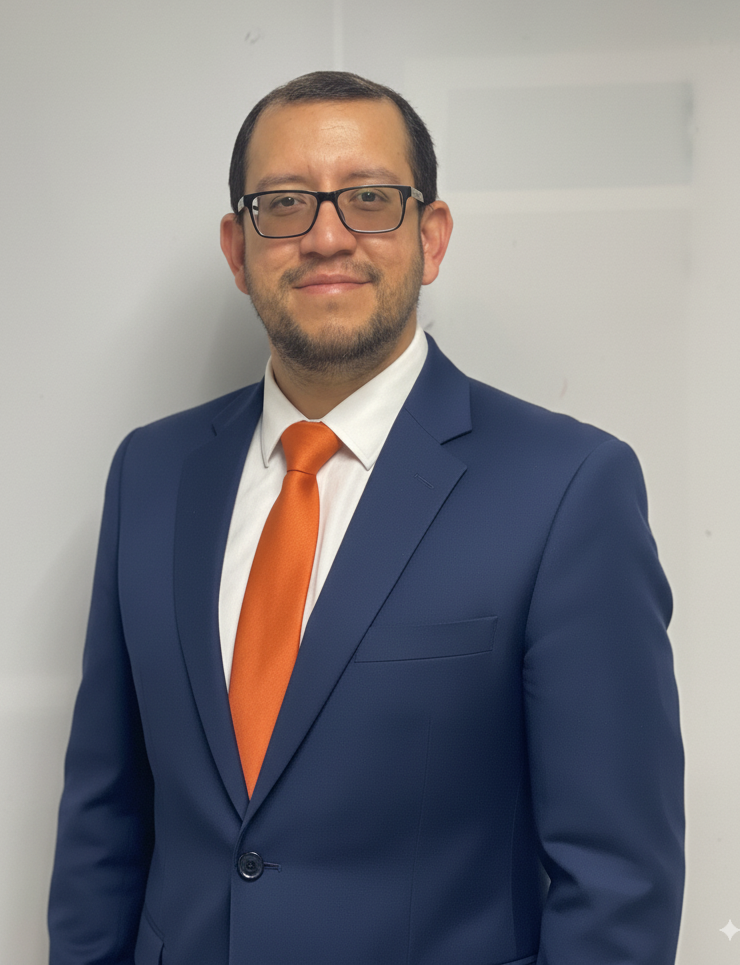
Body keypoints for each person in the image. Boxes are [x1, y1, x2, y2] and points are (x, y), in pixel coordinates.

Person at [48, 71, 684, 965]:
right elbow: (103, 821)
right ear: (237, 248)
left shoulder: (568, 488)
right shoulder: (150, 474)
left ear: (432, 234)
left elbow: (618, 885)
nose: (327, 236)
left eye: (370, 198)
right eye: (283, 203)